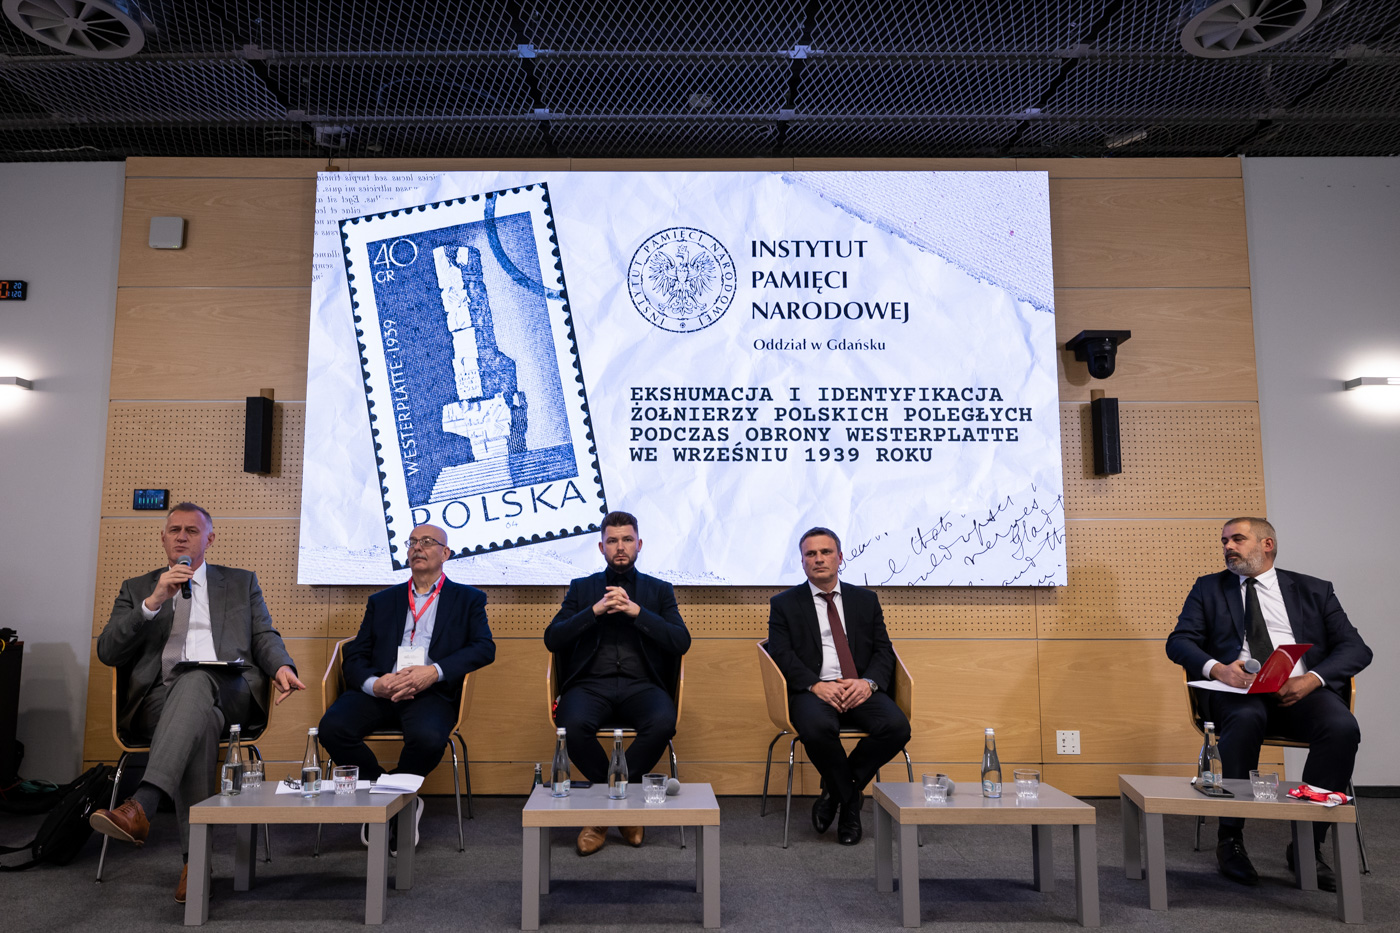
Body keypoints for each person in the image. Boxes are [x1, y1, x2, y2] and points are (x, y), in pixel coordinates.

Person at [90, 503, 306, 902]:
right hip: (159, 700)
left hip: (231, 691)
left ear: (209, 539)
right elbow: (108, 651)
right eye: (174, 530)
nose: (181, 537)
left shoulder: (240, 582)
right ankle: (196, 863)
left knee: (196, 678)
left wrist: (281, 666)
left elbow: (263, 635)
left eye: (191, 530)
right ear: (163, 538)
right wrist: (153, 602)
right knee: (200, 723)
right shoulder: (138, 589)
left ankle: (143, 804)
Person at [1167, 517, 1371, 890]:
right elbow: (1179, 642)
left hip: (1300, 692)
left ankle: (1309, 844)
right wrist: (1218, 670)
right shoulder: (1209, 588)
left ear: (1267, 545)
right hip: (1239, 694)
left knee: (1341, 728)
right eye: (1224, 541)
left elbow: (1356, 648)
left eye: (1237, 539)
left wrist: (1311, 679)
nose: (1228, 546)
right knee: (1245, 719)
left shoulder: (1314, 590)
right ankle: (1230, 838)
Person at [318, 523, 495, 853]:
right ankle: (392, 798)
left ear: (445, 553)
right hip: (382, 690)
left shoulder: (468, 599)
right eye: (412, 542)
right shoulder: (382, 601)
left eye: (427, 541)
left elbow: (484, 648)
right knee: (332, 728)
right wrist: (375, 684)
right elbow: (355, 656)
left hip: (430, 692)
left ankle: (394, 801)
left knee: (428, 739)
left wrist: (433, 672)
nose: (417, 547)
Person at [544, 511, 690, 855]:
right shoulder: (582, 589)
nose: (620, 547)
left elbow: (681, 641)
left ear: (639, 544)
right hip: (590, 685)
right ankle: (621, 806)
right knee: (570, 725)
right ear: (601, 547)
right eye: (612, 541)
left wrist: (638, 613)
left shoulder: (659, 590)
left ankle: (603, 811)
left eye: (627, 540)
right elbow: (553, 638)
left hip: (643, 686)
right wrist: (594, 611)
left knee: (663, 722)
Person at [766, 526, 911, 846]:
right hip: (813, 691)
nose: (819, 559)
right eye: (811, 554)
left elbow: (883, 650)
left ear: (840, 557)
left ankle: (835, 791)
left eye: (826, 552)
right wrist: (814, 685)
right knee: (817, 729)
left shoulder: (865, 600)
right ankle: (850, 803)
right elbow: (782, 654)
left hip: (859, 686)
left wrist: (868, 683)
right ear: (802, 562)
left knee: (897, 727)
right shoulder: (784, 604)